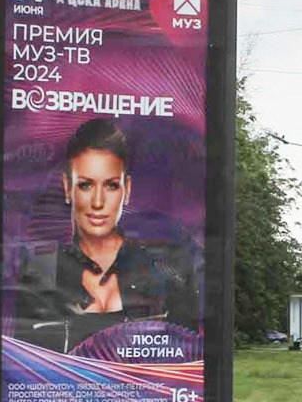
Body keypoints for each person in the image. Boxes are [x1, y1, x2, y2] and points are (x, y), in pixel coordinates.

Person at [16, 118, 196, 346]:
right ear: (67, 188)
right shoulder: (40, 270)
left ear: (127, 190)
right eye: (85, 185)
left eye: (111, 185)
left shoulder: (163, 273)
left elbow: (185, 362)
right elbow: (25, 366)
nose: (98, 202)